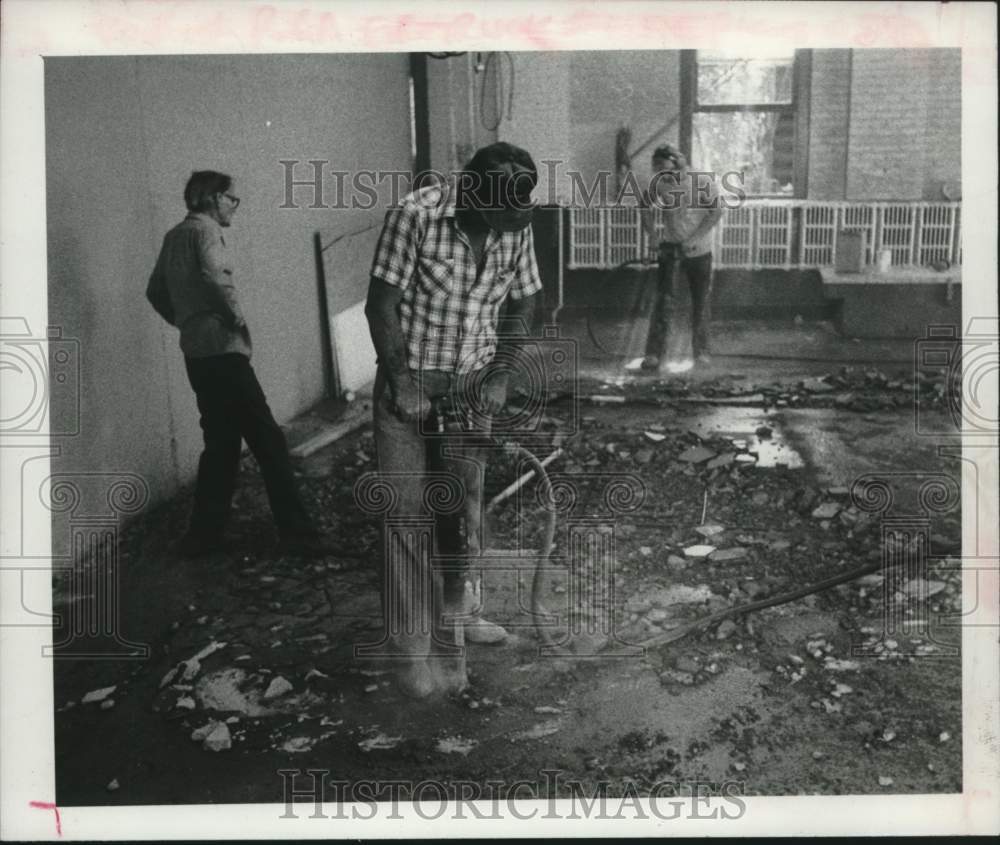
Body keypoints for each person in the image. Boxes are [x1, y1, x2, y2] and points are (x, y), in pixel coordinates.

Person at [365, 143, 542, 698]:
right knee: (407, 513)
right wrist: (402, 381)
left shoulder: (515, 225)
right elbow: (380, 303)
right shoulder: (413, 216)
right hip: (411, 385)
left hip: (473, 388)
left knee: (465, 509)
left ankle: (458, 618)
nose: (499, 229)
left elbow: (525, 304)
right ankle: (414, 652)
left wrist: (501, 375)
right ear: (469, 193)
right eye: (491, 217)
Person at [146, 170, 330, 558]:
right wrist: (232, 317)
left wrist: (185, 320)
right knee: (268, 440)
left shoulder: (174, 236)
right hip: (225, 352)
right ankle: (298, 535)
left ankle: (202, 537)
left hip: (196, 353)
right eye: (232, 199)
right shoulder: (206, 232)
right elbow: (215, 275)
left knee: (221, 445)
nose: (235, 206)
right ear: (213, 198)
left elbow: (155, 291)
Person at [640, 144, 724, 369]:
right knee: (664, 301)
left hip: (700, 252)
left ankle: (702, 352)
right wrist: (652, 236)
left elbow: (716, 211)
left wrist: (695, 239)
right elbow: (644, 207)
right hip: (670, 248)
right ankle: (654, 354)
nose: (661, 173)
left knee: (701, 301)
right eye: (657, 169)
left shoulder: (701, 182)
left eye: (664, 167)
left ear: (677, 162)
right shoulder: (660, 183)